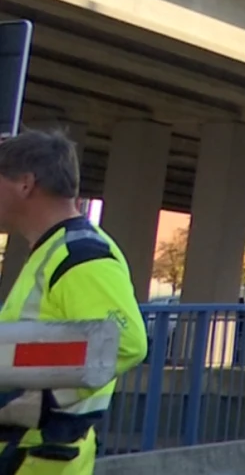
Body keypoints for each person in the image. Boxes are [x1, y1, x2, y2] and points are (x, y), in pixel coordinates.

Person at [0, 130, 147, 473]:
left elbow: (125, 343)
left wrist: (29, 401)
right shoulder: (58, 249)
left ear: (25, 184)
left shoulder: (80, 255)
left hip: (37, 457)